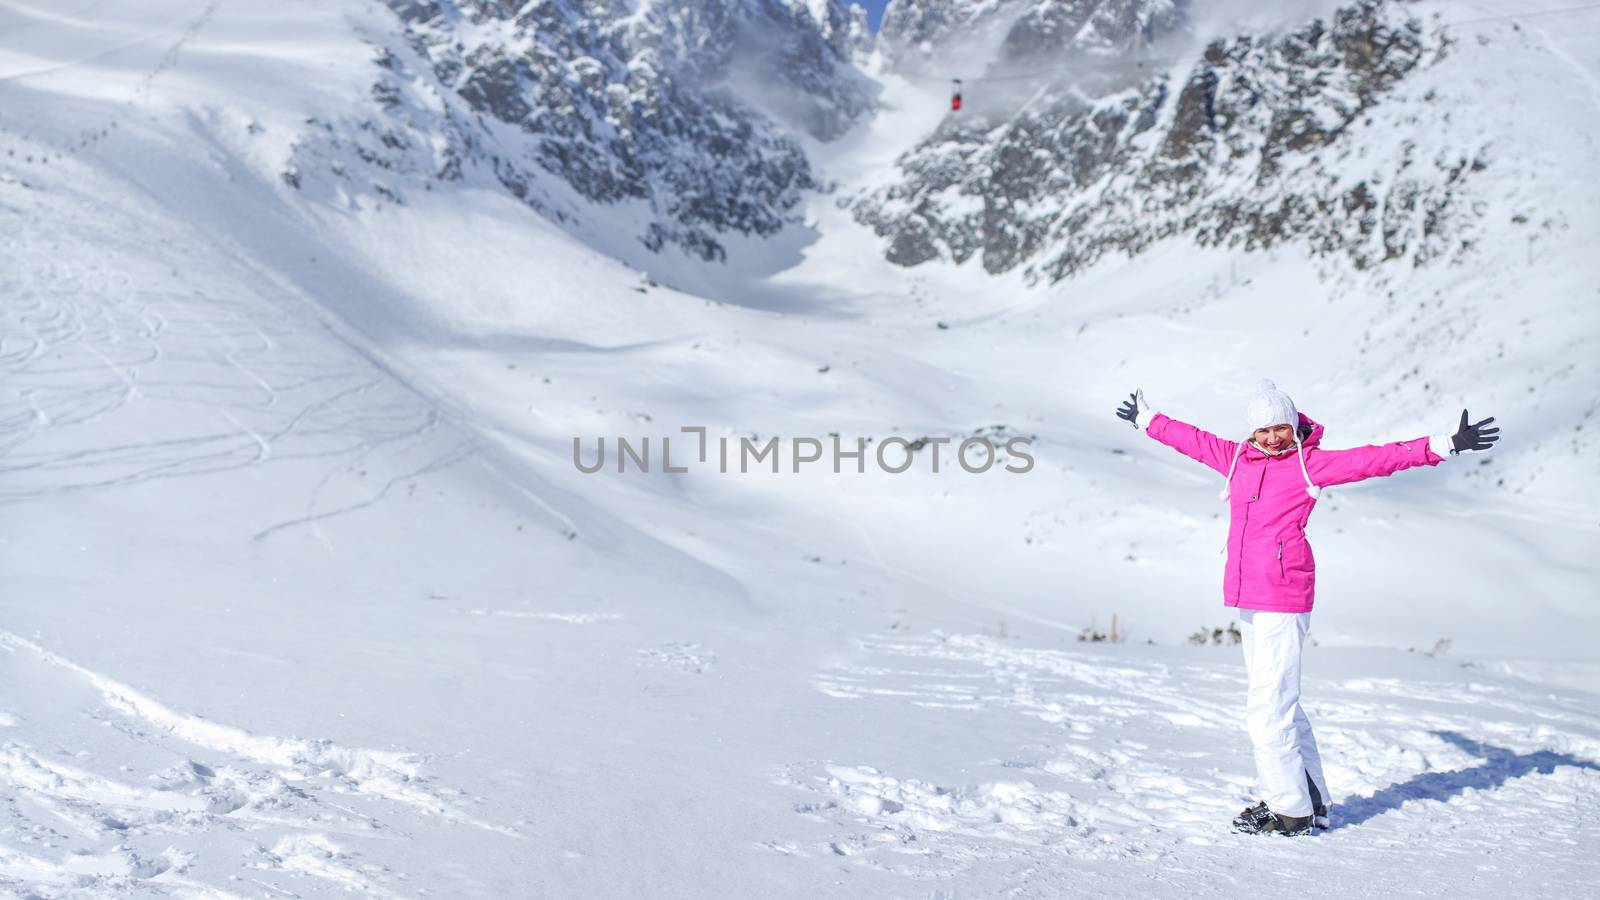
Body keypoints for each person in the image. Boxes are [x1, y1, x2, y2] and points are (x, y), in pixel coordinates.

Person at [1114, 380, 1499, 836]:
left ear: (1294, 425)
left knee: (1266, 711)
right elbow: (1193, 441)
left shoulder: (1307, 465)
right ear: (1252, 433)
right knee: (1282, 706)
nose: (1273, 437)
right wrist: (1146, 419)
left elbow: (1375, 459)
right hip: (1248, 598)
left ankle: (1288, 811)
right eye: (1264, 430)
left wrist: (1444, 444)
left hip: (1283, 595)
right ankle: (1311, 798)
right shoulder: (1236, 459)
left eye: (1281, 427)